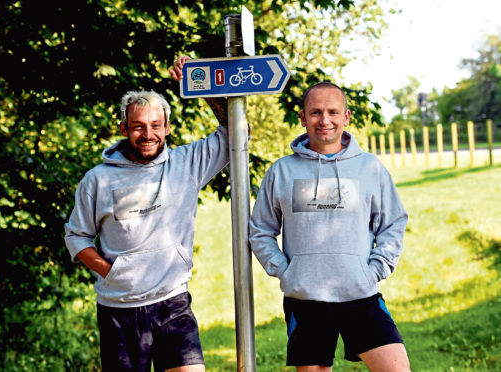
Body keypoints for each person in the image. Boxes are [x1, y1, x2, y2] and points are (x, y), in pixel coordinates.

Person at [64, 56, 228, 372]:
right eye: (138, 126)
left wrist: (199, 86)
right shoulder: (98, 179)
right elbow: (76, 235)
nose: (148, 134)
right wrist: (111, 271)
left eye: (155, 125)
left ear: (167, 127)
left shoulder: (187, 164)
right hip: (119, 310)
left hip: (173, 303)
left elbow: (234, 133)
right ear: (125, 128)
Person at [249, 82, 411, 371]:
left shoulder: (369, 168)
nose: (324, 120)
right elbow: (261, 230)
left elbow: (393, 223)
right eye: (315, 112)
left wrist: (375, 269)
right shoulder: (281, 171)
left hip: (361, 294)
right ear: (302, 118)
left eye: (332, 112)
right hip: (306, 299)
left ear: (346, 117)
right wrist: (286, 272)